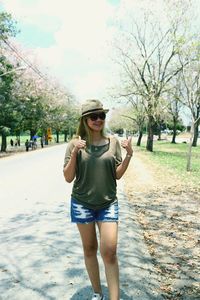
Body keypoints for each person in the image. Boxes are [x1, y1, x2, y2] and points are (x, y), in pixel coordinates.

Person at [63, 99, 133, 300]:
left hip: (108, 204)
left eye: (101, 115)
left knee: (109, 251)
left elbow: (117, 174)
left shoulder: (113, 142)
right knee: (90, 248)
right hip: (81, 204)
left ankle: (114, 298)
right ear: (85, 119)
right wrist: (76, 151)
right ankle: (97, 292)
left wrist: (129, 155)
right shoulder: (74, 144)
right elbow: (68, 178)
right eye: (93, 116)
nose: (98, 119)